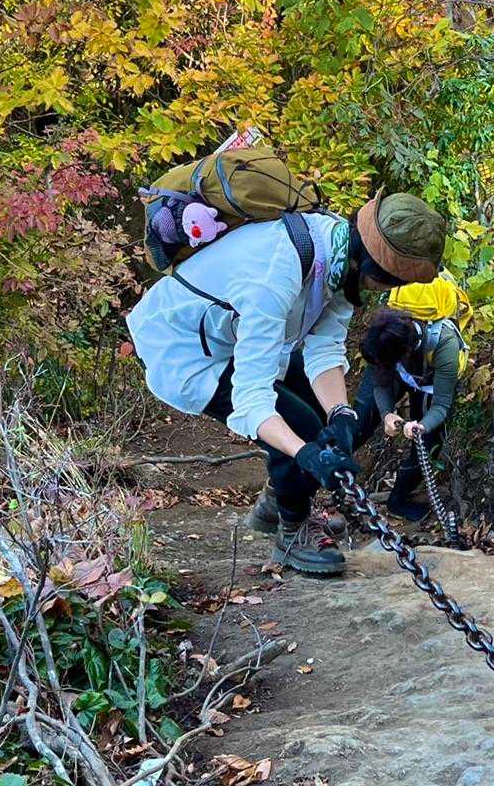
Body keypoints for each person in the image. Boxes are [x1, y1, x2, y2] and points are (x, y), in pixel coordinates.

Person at [127, 192, 448, 575]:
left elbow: (325, 348)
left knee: (319, 414)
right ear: (373, 268)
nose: (377, 291)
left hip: (230, 335)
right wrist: (305, 453)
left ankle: (278, 499)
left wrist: (341, 414)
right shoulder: (275, 274)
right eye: (383, 283)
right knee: (303, 426)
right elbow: (253, 399)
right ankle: (293, 532)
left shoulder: (340, 257)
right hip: (183, 350)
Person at [354, 307, 463, 521]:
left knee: (427, 443)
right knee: (361, 419)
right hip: (396, 366)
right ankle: (324, 471)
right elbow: (381, 382)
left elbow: (441, 406)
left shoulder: (445, 346)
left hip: (429, 382)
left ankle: (398, 501)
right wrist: (387, 414)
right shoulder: (382, 338)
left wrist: (421, 426)